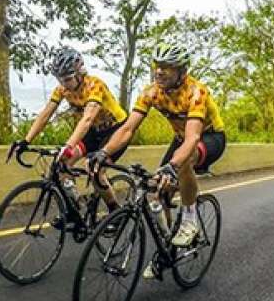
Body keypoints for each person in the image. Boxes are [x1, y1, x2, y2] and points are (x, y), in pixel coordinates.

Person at [87, 40, 226, 278]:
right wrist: (105, 152)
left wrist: (172, 166)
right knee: (156, 191)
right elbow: (128, 128)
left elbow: (193, 137)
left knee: (182, 161)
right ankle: (167, 248)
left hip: (209, 137)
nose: (159, 71)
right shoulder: (151, 93)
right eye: (157, 65)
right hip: (181, 138)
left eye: (167, 67)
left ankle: (190, 218)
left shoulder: (196, 92)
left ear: (181, 71)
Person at [8, 47, 129, 218]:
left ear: (80, 73)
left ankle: (115, 211)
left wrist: (68, 145)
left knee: (94, 168)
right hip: (93, 132)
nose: (64, 84)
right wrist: (26, 140)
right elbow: (45, 115)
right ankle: (75, 208)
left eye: (67, 79)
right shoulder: (62, 90)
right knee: (62, 163)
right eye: (60, 80)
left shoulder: (94, 85)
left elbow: (86, 119)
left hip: (115, 130)